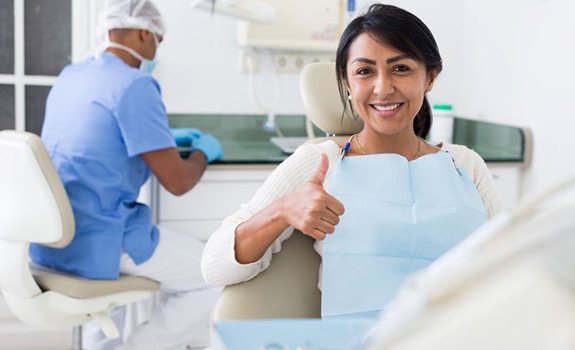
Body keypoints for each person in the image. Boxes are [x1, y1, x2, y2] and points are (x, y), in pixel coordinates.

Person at [201, 4, 501, 319]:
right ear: (346, 83)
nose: (383, 88)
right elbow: (215, 266)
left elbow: (505, 263)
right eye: (364, 71)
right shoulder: (320, 161)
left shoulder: (465, 165)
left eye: (401, 68)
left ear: (430, 77)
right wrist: (282, 211)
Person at [29, 0, 222, 348]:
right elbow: (178, 181)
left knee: (104, 319)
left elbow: (93, 139)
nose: (156, 53)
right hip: (101, 237)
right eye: (158, 42)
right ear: (145, 33)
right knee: (213, 275)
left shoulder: (72, 76)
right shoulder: (135, 85)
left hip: (52, 239)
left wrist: (161, 140)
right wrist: (202, 153)